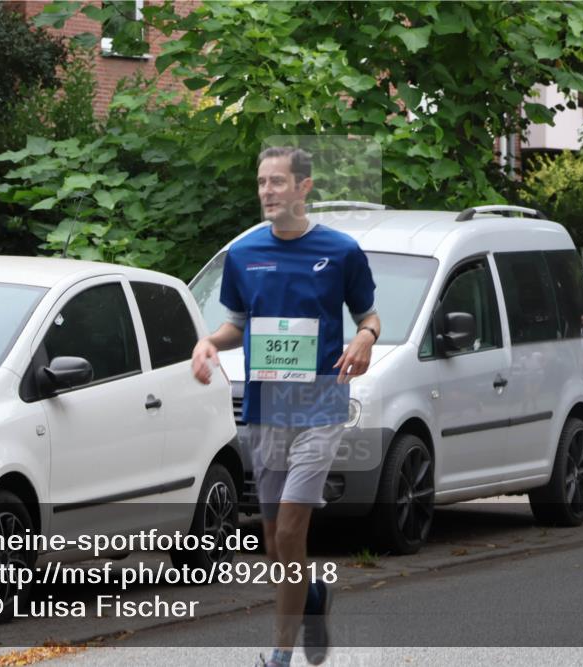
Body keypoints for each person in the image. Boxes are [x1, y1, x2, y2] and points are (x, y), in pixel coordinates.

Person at [191, 146, 380, 666]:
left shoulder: (341, 251)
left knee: (294, 530)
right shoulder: (244, 254)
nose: (267, 192)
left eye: (277, 182)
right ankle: (313, 596)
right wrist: (209, 342)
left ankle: (279, 655)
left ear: (304, 187)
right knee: (276, 546)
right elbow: (237, 324)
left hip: (320, 407)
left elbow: (370, 316)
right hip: (265, 410)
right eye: (261, 183)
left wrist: (364, 338)